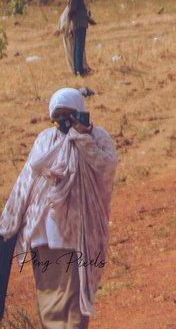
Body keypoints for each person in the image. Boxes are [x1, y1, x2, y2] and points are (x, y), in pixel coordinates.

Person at [0, 88, 118, 328]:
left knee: (74, 304)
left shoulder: (97, 137)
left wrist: (83, 138)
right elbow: (26, 182)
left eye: (70, 117)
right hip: (44, 235)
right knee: (49, 302)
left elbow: (105, 170)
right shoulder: (45, 139)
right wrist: (8, 223)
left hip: (79, 236)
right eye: (58, 119)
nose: (64, 123)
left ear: (82, 113)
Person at [61, 0, 97, 78]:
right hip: (78, 24)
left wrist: (88, 20)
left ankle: (78, 69)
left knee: (78, 47)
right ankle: (80, 70)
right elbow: (71, 12)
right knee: (79, 48)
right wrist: (68, 26)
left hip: (80, 23)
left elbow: (81, 10)